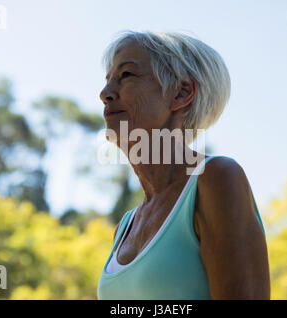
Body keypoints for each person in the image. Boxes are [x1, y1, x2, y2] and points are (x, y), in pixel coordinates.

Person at [97, 30, 270, 300]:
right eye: (108, 80)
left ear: (181, 92)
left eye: (126, 75)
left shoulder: (216, 179)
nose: (105, 93)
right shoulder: (125, 227)